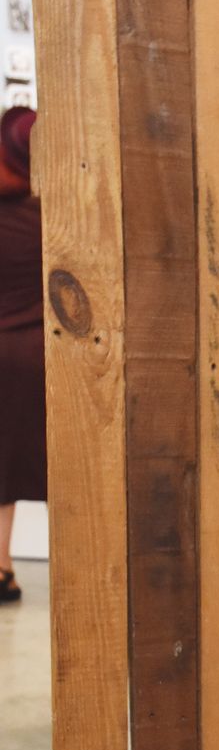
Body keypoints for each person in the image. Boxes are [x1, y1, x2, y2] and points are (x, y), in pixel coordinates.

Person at [0, 106, 45, 606]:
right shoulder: (50, 216)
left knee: (3, 470)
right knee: (63, 465)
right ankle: (83, 565)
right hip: (45, 357)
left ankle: (2, 568)